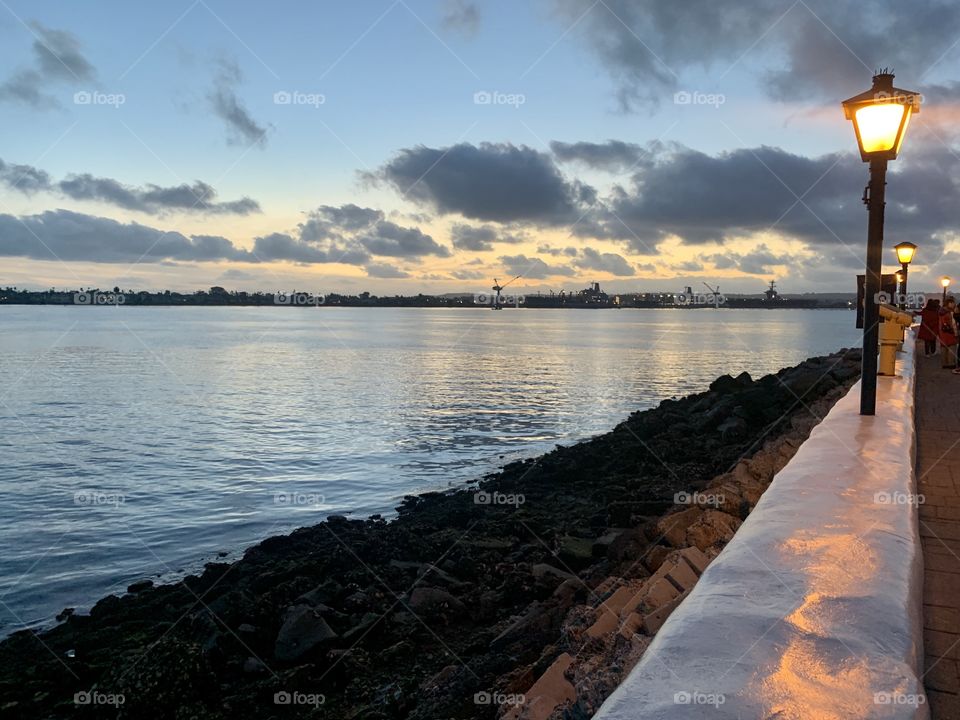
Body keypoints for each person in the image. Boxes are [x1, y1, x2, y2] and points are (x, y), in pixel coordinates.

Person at [940, 297, 958, 368]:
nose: (954, 305)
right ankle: (951, 363)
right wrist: (955, 332)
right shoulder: (949, 313)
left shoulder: (941, 312)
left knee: (944, 347)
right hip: (950, 332)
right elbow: (953, 324)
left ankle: (944, 363)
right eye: (953, 303)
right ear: (949, 303)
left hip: (943, 333)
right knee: (952, 347)